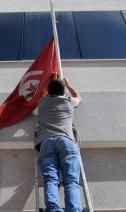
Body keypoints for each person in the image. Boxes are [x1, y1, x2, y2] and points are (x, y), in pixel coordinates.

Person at [36, 77, 82, 212]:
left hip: (47, 142)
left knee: (50, 178)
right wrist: (68, 84)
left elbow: (42, 94)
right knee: (71, 181)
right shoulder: (69, 102)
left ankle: (53, 209)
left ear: (49, 91)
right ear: (63, 92)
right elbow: (78, 97)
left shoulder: (42, 102)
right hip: (66, 141)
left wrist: (49, 80)